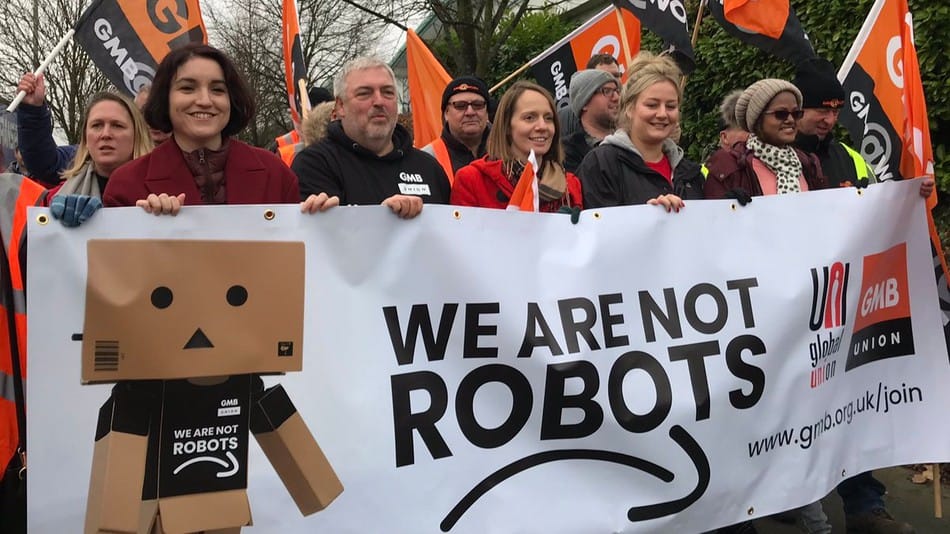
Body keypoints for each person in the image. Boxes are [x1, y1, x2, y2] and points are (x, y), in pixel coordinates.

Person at [101, 43, 335, 215]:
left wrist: (321, 223)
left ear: (231, 100)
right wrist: (147, 228)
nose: (205, 100)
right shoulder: (126, 185)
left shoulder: (276, 174)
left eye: (217, 90)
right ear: (165, 98)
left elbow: (300, 258)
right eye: (188, 88)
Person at [292, 57, 450, 219]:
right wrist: (380, 217)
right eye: (364, 94)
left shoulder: (429, 168)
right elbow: (320, 233)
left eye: (388, 92)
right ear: (340, 106)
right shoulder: (315, 164)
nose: (379, 101)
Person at [576, 51, 704, 213]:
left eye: (671, 106)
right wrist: (646, 216)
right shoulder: (601, 164)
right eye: (652, 105)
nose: (662, 114)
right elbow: (598, 226)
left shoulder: (689, 172)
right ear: (629, 108)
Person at [450, 81, 581, 212]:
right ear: (507, 126)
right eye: (529, 118)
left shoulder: (570, 184)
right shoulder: (472, 180)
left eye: (548, 118)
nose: (542, 126)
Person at [793, 58, 875, 188]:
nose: (830, 120)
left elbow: (881, 199)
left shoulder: (851, 158)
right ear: (797, 110)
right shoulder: (770, 157)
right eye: (823, 111)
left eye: (836, 112)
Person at [421, 76, 491, 185]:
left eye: (478, 105)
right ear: (446, 113)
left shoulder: (509, 154)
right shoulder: (426, 159)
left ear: (487, 112)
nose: (470, 112)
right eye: (460, 106)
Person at [562, 69, 620, 173]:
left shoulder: (634, 135)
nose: (616, 98)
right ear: (584, 103)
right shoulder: (568, 152)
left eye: (616, 91)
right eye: (607, 91)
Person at [559, 53, 623, 138]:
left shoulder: (633, 122)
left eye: (616, 75)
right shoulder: (570, 140)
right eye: (606, 91)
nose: (612, 80)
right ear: (585, 101)